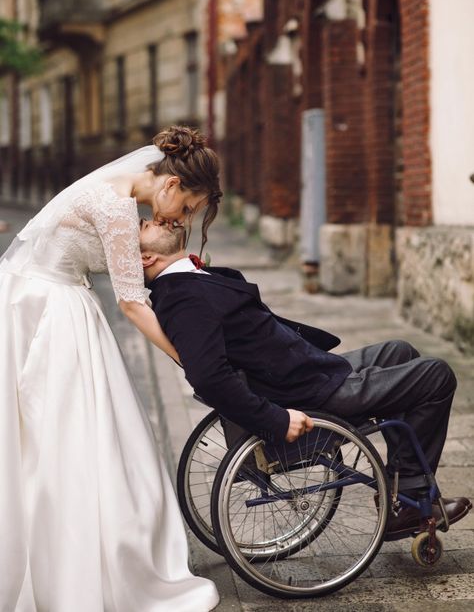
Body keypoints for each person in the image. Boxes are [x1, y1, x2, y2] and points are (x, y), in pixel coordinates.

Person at [0, 126, 221, 612]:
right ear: (170, 185)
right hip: (51, 307)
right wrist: (191, 361)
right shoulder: (116, 204)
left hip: (41, 295)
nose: (181, 217)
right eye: (186, 208)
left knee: (49, 439)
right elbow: (132, 303)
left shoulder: (120, 197)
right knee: (72, 438)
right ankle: (83, 566)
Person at [139, 220, 472, 541]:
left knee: (400, 351)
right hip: (308, 393)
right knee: (437, 375)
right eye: (147, 225)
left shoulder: (184, 281)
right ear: (146, 257)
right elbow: (209, 377)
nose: (159, 219)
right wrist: (276, 420)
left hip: (309, 370)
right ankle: (408, 500)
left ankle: (404, 487)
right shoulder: (183, 298)